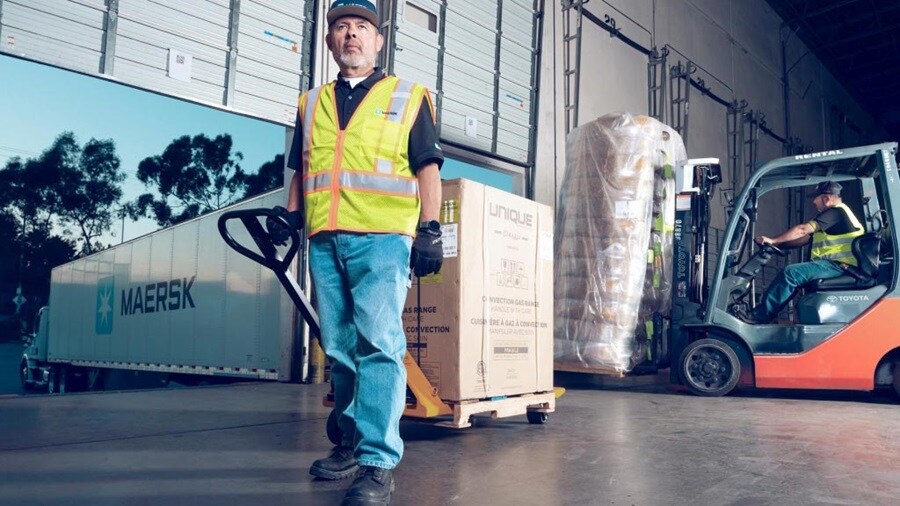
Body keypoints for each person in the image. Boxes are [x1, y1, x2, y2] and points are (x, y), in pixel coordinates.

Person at [274, 1, 445, 504]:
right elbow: (302, 169)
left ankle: (376, 462)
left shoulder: (408, 97)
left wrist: (430, 228)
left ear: (377, 42)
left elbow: (427, 168)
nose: (351, 35)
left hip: (383, 239)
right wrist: (290, 215)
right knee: (341, 349)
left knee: (379, 344)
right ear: (330, 42)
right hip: (324, 239)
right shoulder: (310, 104)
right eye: (342, 27)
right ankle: (349, 441)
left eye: (362, 28)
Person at [742, 181, 864, 323]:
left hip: (840, 266)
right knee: (796, 275)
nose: (813, 201)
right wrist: (778, 246)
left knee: (791, 273)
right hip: (833, 265)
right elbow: (805, 238)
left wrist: (773, 240)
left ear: (826, 198)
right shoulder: (832, 217)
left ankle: (760, 316)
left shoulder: (836, 212)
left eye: (816, 198)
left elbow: (802, 230)